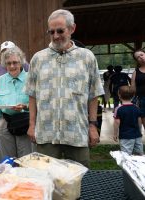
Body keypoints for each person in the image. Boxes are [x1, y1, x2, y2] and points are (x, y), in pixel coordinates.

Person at [24, 9, 104, 167]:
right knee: (45, 179)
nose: (55, 36)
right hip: (46, 134)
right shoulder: (38, 59)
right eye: (51, 32)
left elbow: (94, 94)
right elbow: (32, 95)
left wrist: (93, 126)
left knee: (79, 179)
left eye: (60, 31)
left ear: (72, 28)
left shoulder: (87, 57)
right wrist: (32, 125)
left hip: (77, 132)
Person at [0, 46, 33, 161]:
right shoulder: (0, 81)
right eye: (9, 63)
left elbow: (39, 103)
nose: (12, 66)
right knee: (7, 160)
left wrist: (25, 107)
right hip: (6, 121)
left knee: (26, 159)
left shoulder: (30, 79)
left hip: (25, 121)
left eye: (15, 62)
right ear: (5, 65)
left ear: (21, 62)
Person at [113, 86, 143, 155]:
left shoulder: (118, 109)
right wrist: (140, 132)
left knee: (126, 156)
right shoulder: (136, 108)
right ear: (133, 96)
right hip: (137, 136)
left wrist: (115, 134)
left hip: (125, 136)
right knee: (139, 155)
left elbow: (117, 122)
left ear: (119, 95)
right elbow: (139, 121)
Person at [131, 49, 145, 130]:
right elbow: (133, 89)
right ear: (137, 61)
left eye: (142, 55)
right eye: (138, 57)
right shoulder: (135, 72)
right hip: (142, 100)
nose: (141, 57)